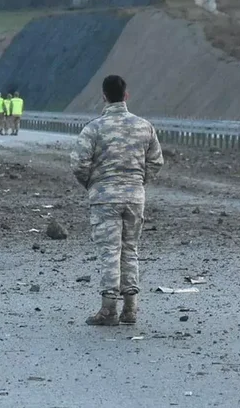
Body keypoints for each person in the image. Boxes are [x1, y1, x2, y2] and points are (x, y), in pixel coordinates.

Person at [71, 75, 164, 326]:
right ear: (126, 95)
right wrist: (138, 182)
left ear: (104, 96)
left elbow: (78, 163)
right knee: (130, 249)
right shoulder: (145, 127)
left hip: (104, 198)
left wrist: (92, 184)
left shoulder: (94, 128)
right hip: (134, 197)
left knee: (110, 252)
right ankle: (131, 309)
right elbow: (156, 161)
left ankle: (109, 309)